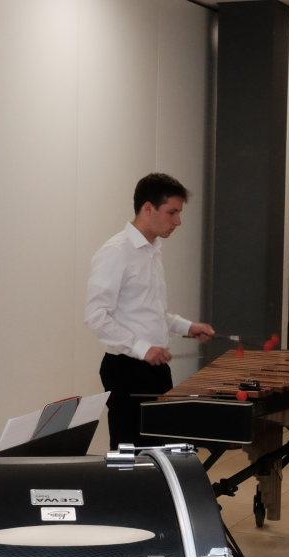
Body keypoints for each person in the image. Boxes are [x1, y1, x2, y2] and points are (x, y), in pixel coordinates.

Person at [85, 173, 215, 449]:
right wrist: (143, 349)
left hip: (154, 369)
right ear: (148, 208)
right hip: (126, 370)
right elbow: (96, 315)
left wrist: (188, 327)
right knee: (132, 455)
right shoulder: (116, 251)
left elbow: (151, 311)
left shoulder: (152, 250)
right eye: (172, 212)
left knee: (160, 451)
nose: (178, 221)